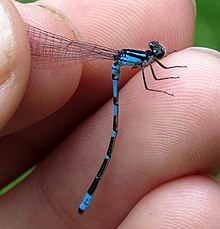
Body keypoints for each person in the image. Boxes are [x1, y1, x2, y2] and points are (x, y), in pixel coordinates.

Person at [0, 0, 220, 228]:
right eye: (156, 53)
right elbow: (149, 83)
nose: (156, 55)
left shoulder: (145, 59)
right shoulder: (145, 61)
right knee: (113, 136)